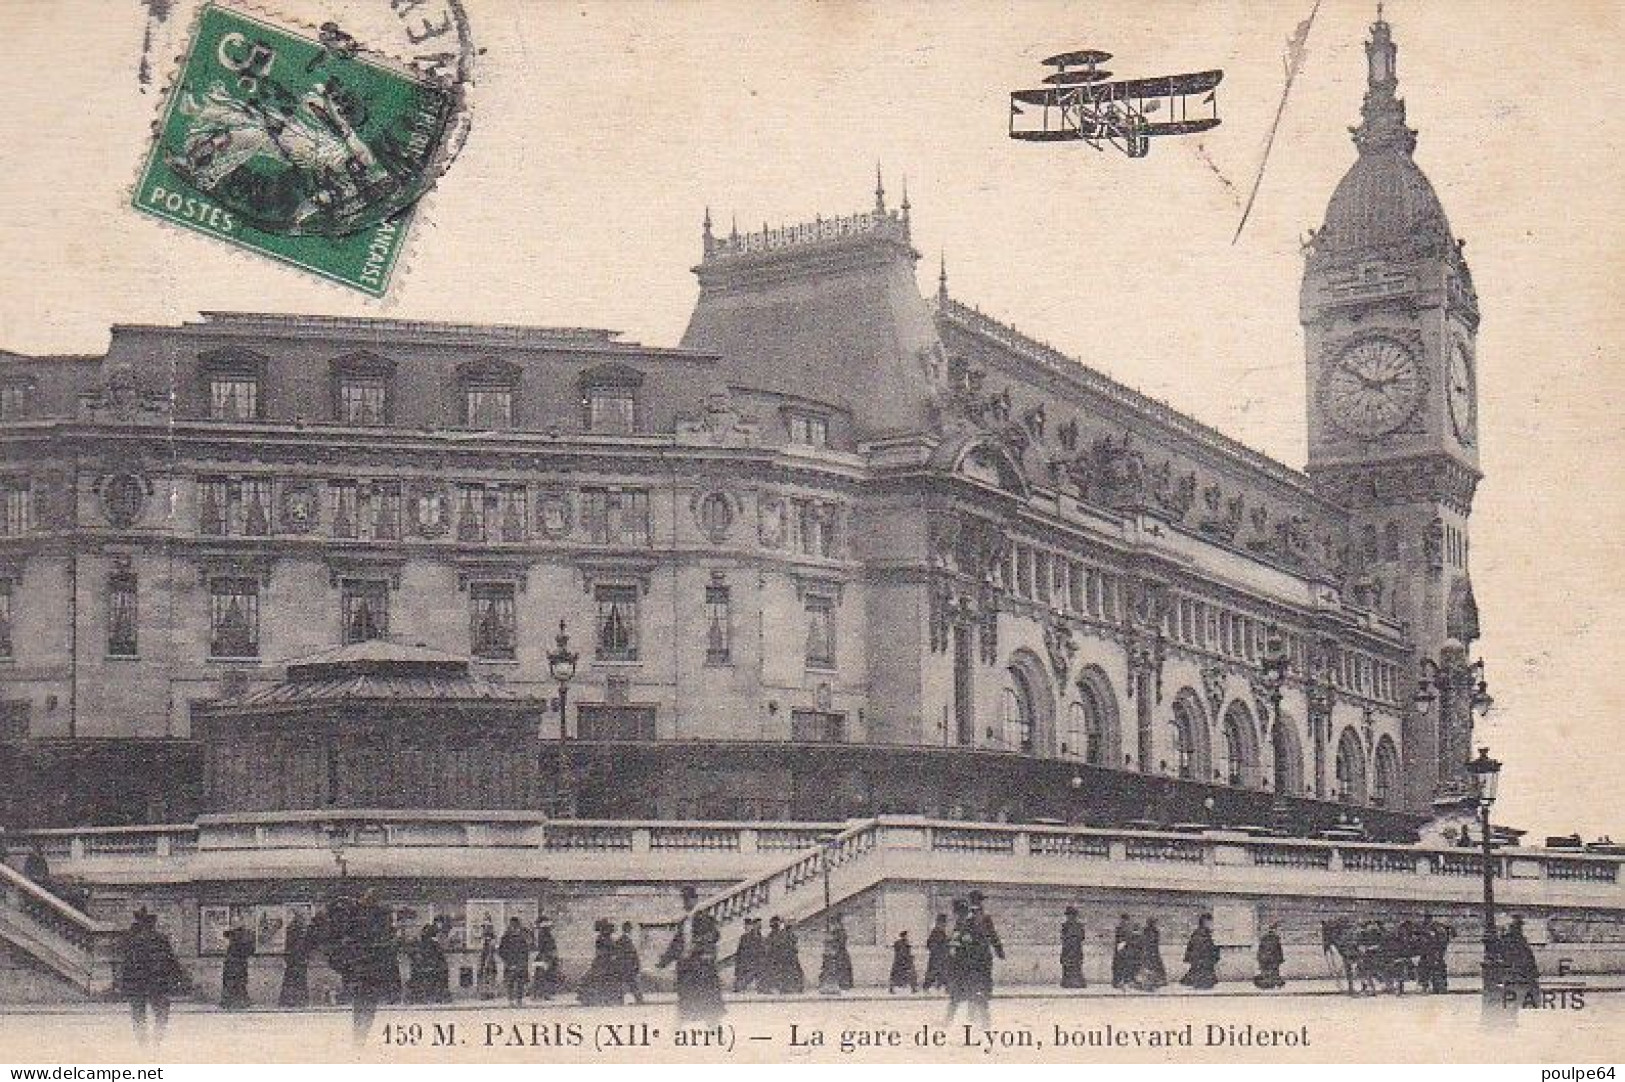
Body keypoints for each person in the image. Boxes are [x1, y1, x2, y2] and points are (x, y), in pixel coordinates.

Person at [658, 885, 724, 1023]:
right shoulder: (684, 922)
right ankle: (682, 1028)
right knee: (686, 1000)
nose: (686, 903)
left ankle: (711, 1028)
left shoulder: (705, 918)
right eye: (684, 900)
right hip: (687, 968)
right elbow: (676, 944)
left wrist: (698, 944)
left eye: (688, 900)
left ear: (695, 900)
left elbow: (715, 935)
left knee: (706, 1001)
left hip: (701, 967)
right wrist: (664, 961)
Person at [120, 909, 183, 1047]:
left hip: (139, 983)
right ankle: (156, 1040)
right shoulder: (160, 939)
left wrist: (123, 983)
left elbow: (126, 963)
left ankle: (143, 1042)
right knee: (161, 1013)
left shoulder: (133, 940)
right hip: (156, 982)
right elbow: (171, 960)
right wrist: (178, 977)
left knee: (139, 1014)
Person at [579, 918, 621, 1005]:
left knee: (607, 981)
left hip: (605, 962)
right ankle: (599, 998)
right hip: (604, 962)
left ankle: (607, 998)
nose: (610, 931)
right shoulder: (602, 939)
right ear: (604, 929)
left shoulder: (607, 939)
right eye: (608, 929)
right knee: (601, 980)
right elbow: (603, 951)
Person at [1503, 916, 1541, 1000]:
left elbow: (1528, 955)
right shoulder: (1511, 940)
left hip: (1522, 971)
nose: (1520, 929)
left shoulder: (1519, 938)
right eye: (1519, 926)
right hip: (1519, 971)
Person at [278, 911, 312, 1008]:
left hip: (292, 959)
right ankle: (300, 1001)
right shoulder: (302, 930)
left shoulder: (291, 928)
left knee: (290, 980)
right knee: (300, 980)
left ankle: (289, 1001)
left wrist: (287, 957)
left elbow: (288, 945)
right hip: (299, 958)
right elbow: (305, 945)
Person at [498, 916, 533, 1006]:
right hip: (511, 963)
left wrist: (524, 961)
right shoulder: (506, 936)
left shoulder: (521, 936)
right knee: (511, 982)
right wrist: (507, 961)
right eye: (513, 925)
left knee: (519, 982)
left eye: (516, 925)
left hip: (519, 963)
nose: (514, 927)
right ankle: (512, 1000)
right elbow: (501, 950)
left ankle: (518, 1000)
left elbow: (526, 949)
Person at [1179, 913, 1220, 990]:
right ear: (1205, 922)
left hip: (1202, 960)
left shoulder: (1203, 932)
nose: (1211, 924)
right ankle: (1201, 985)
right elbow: (1199, 946)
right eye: (1210, 922)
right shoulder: (1201, 933)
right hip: (1202, 959)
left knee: (1201, 974)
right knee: (1201, 974)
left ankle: (1201, 985)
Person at [221, 922, 255, 1009]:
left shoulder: (234, 938)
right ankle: (240, 1002)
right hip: (240, 963)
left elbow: (225, 935)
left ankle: (229, 1002)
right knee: (240, 983)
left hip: (232, 963)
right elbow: (250, 951)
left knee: (232, 983)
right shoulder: (245, 938)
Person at [818, 915, 854, 994]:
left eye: (834, 923)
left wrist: (832, 943)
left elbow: (840, 943)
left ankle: (841, 986)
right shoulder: (836, 932)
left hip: (839, 954)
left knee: (840, 970)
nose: (833, 925)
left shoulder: (840, 932)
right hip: (836, 954)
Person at [533, 915, 563, 999]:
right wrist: (550, 956)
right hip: (544, 957)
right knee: (543, 976)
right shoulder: (543, 934)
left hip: (545, 957)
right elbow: (544, 947)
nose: (550, 927)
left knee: (543, 976)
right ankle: (540, 994)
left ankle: (541, 994)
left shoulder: (544, 933)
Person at [1132, 918, 1166, 990]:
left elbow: (1147, 941)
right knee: (1151, 967)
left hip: (1150, 952)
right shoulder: (1153, 931)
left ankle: (1151, 983)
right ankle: (1151, 983)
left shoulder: (1149, 931)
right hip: (1152, 952)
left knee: (1150, 967)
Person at [733, 917, 765, 993]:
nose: (759, 926)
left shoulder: (761, 937)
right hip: (747, 962)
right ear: (753, 925)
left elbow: (762, 950)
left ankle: (761, 989)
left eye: (760, 925)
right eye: (757, 924)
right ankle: (739, 987)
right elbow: (740, 951)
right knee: (744, 978)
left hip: (757, 962)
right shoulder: (745, 937)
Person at [615, 920, 644, 1004]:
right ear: (626, 929)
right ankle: (638, 1000)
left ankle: (621, 1000)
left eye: (630, 928)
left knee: (626, 984)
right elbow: (626, 954)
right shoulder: (623, 939)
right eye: (629, 928)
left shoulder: (625, 939)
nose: (630, 930)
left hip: (628, 966)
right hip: (627, 967)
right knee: (630, 984)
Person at [922, 914, 951, 992]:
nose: (944, 925)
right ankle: (926, 987)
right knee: (933, 973)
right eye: (943, 923)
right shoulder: (936, 932)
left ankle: (947, 988)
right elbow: (930, 944)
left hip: (942, 958)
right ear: (939, 923)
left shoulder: (941, 932)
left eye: (944, 923)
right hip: (937, 958)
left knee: (944, 973)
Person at [1253, 922, 1286, 989]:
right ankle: (1271, 985)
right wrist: (1281, 959)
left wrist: (1259, 958)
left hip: (1265, 958)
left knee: (1266, 972)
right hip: (1272, 959)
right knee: (1273, 972)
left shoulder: (1264, 938)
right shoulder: (1276, 939)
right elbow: (1278, 950)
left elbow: (1260, 949)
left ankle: (1268, 985)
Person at [1060, 906, 1086, 989]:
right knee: (1068, 966)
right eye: (1068, 915)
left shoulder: (1078, 926)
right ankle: (1068, 983)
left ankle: (1075, 983)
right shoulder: (1065, 926)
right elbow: (1063, 937)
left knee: (1075, 966)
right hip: (1069, 949)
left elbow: (1082, 937)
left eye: (1071, 915)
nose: (1069, 917)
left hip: (1075, 949)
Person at [1112, 914, 1138, 989]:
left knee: (1121, 966)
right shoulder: (1124, 928)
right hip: (1123, 950)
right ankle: (1120, 982)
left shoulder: (1122, 928)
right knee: (1121, 966)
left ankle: (1120, 982)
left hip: (1122, 950)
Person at [475, 918, 499, 1000]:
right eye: (484, 927)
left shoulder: (491, 940)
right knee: (483, 975)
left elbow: (492, 950)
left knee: (490, 975)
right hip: (483, 959)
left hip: (489, 960)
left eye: (487, 927)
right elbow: (480, 950)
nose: (485, 929)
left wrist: (488, 960)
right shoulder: (482, 940)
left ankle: (490, 993)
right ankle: (483, 993)